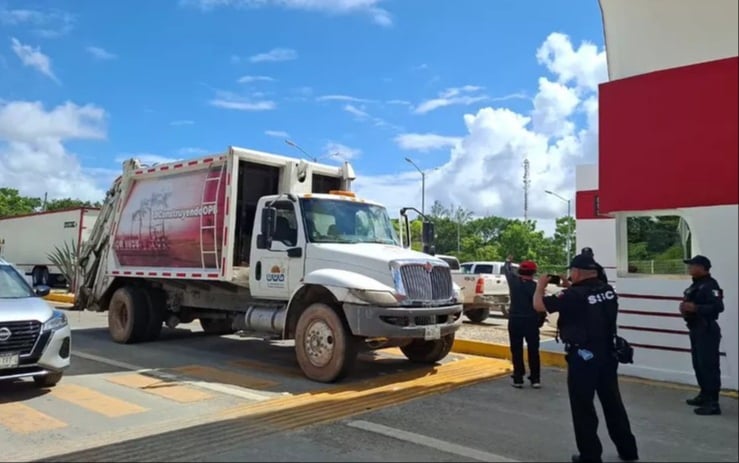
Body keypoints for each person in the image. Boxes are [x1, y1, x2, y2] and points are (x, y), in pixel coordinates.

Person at [533, 253, 638, 463]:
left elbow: (538, 305)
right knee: (613, 403)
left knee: (583, 407)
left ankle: (590, 455)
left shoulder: (573, 295)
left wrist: (541, 285)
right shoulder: (607, 290)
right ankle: (628, 450)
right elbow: (588, 301)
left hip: (583, 357)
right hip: (608, 354)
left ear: (577, 272)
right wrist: (569, 287)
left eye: (572, 272)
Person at [680, 254, 724, 415]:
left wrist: (696, 308)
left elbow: (718, 307)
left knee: (709, 365)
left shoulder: (710, 285)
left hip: (707, 329)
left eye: (693, 265)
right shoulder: (697, 285)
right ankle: (704, 394)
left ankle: (713, 402)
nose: (690, 268)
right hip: (696, 328)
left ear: (702, 267)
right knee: (698, 364)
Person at [502, 255, 541, 388]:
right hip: (531, 321)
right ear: (534, 272)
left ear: (519, 271)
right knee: (533, 350)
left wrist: (508, 261)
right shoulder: (536, 287)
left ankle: (518, 378)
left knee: (516, 349)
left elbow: (506, 270)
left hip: (515, 320)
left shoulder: (513, 282)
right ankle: (535, 379)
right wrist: (539, 321)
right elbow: (540, 306)